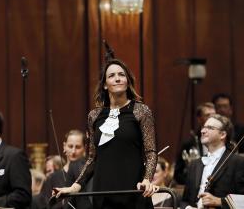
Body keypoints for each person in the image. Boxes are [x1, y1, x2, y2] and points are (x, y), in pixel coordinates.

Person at [53, 58, 158, 209]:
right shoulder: (94, 116)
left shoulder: (141, 111)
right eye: (111, 75)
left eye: (121, 75)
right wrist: (74, 187)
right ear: (104, 85)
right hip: (103, 195)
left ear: (127, 81)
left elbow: (151, 152)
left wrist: (147, 179)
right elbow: (91, 159)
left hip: (133, 194)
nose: (117, 78)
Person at [181, 113, 244, 209]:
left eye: (210, 128)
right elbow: (184, 200)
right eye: (203, 127)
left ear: (222, 135)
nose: (203, 131)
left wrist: (220, 201)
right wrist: (188, 208)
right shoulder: (194, 164)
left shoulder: (237, 162)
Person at [40, 129, 91, 209]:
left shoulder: (89, 175)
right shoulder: (52, 178)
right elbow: (45, 204)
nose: (73, 151)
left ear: (85, 148)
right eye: (70, 146)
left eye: (78, 147)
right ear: (64, 146)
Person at [174, 102, 215, 184]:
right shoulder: (189, 144)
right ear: (199, 119)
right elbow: (178, 174)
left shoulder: (223, 141)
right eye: (208, 115)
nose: (212, 118)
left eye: (214, 115)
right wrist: (193, 184)